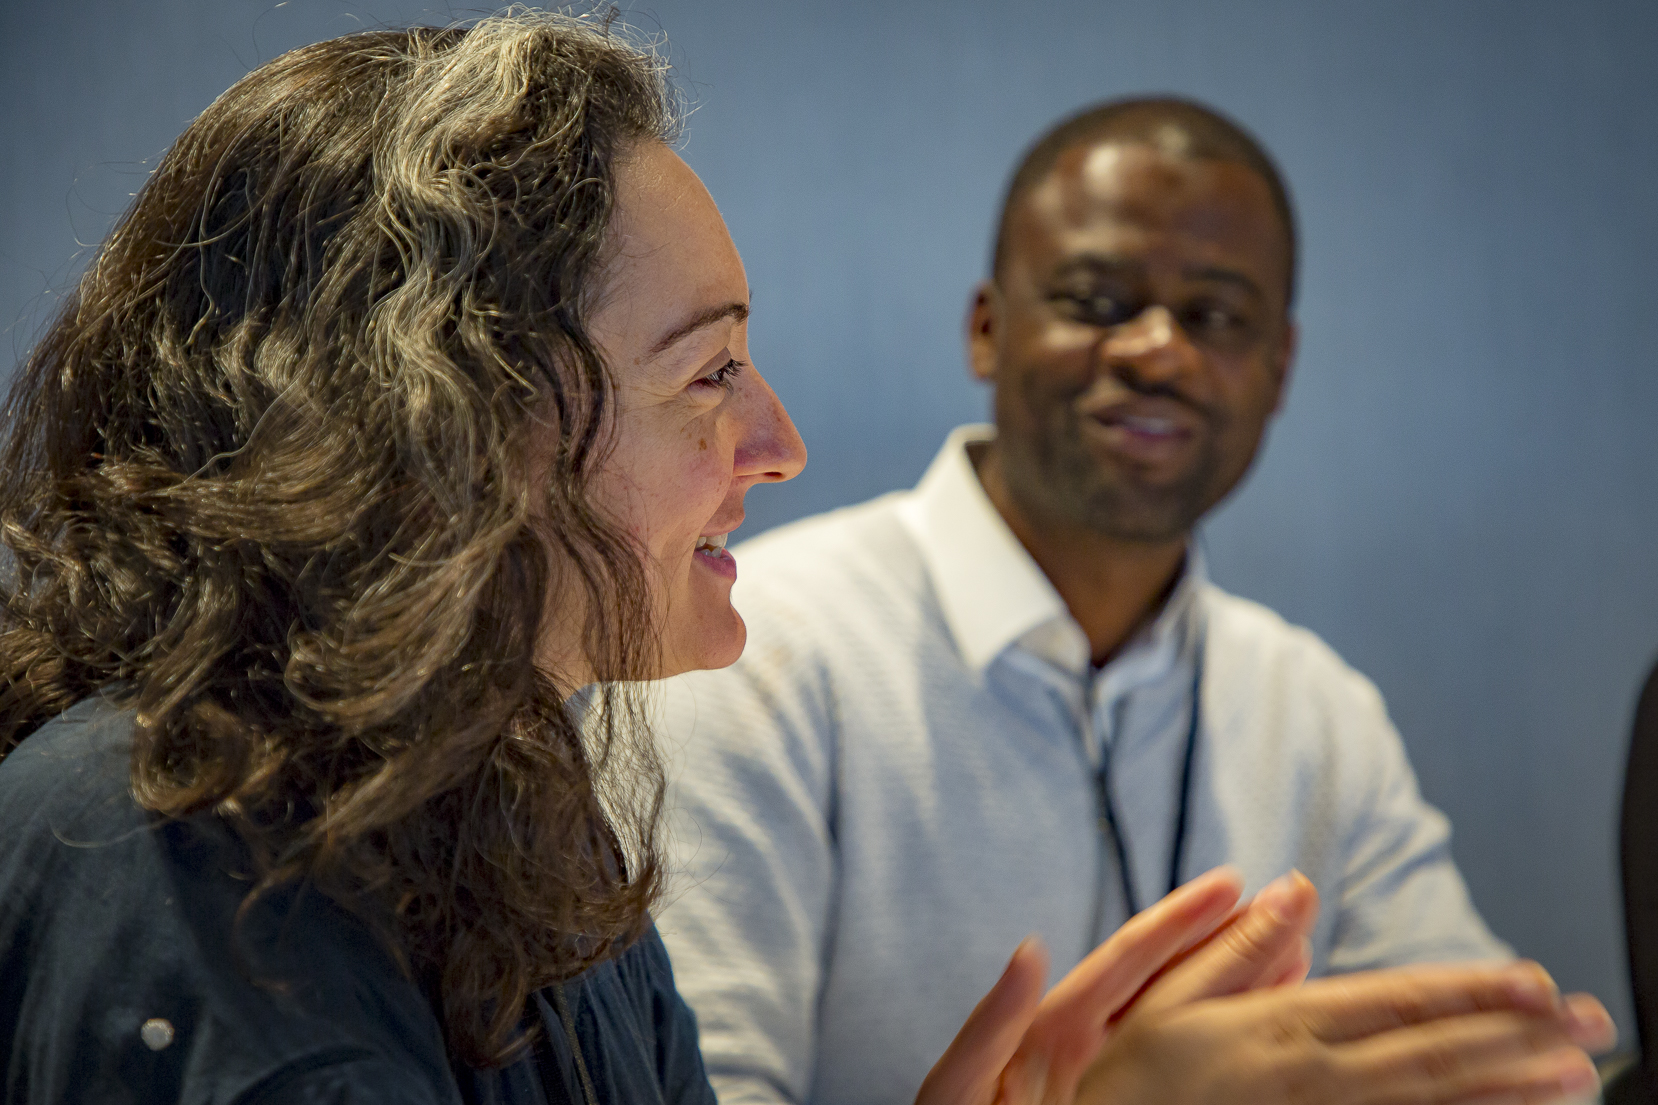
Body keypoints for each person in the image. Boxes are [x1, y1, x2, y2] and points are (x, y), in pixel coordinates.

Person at [0, 16, 1612, 1105]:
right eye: (707, 371)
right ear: (446, 418)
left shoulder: (513, 804)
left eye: (1217, 320)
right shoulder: (159, 860)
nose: (777, 441)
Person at [654, 97, 1565, 1105]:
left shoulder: (1310, 709)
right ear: (988, 329)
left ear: (1277, 370)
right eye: (1096, 299)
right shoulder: (750, 655)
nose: (1157, 350)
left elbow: (1480, 1062)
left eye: (1215, 317)